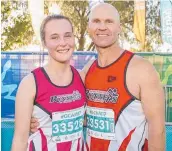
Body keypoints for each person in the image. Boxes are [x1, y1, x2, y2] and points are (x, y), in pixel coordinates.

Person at [30, 3, 165, 151]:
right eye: (96, 21)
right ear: (89, 28)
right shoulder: (86, 72)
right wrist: (36, 119)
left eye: (109, 21)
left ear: (119, 27)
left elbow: (158, 131)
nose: (102, 27)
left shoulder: (142, 69)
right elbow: (74, 113)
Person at [11, 14, 86, 151]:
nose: (63, 42)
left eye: (68, 35)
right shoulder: (30, 84)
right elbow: (20, 140)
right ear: (44, 42)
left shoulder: (82, 77)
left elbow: (87, 118)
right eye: (54, 37)